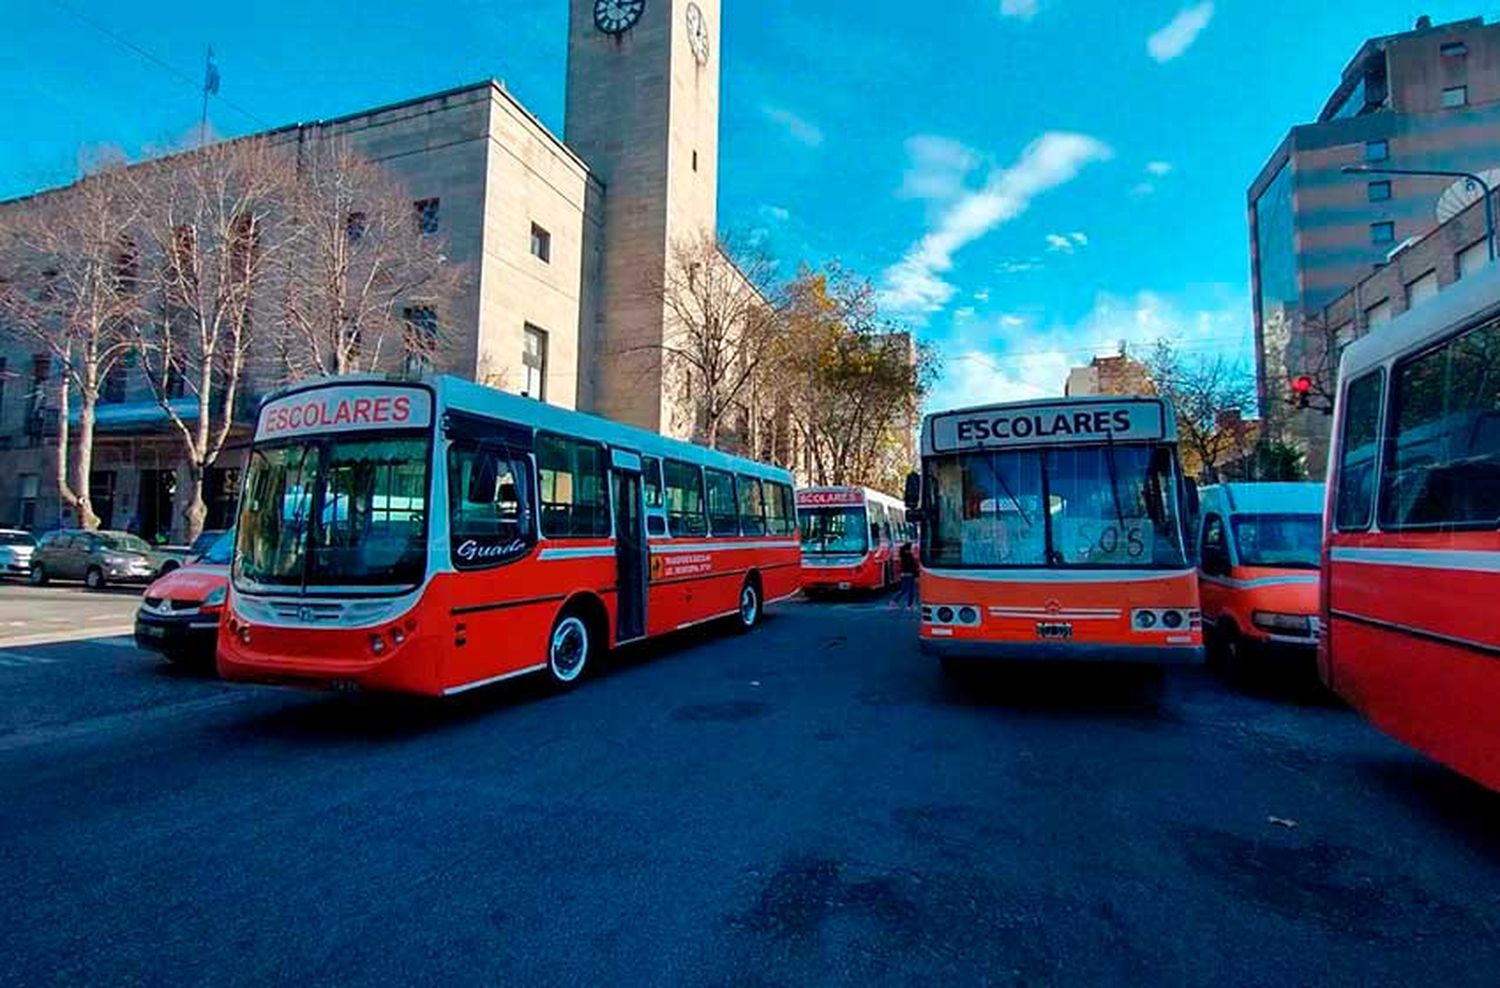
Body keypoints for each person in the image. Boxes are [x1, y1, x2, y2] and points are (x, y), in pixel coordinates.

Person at [890, 541, 918, 611]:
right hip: (910, 574)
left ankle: (894, 601)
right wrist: (916, 574)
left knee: (903, 590)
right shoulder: (909, 556)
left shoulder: (903, 556)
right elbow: (913, 566)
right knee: (911, 591)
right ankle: (909, 605)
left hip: (904, 574)